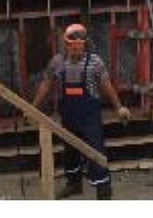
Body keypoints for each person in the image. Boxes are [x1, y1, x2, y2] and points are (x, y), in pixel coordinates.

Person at [32, 23, 131, 200]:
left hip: (89, 117)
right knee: (70, 151)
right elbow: (46, 84)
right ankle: (74, 184)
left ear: (85, 44)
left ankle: (103, 190)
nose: (77, 51)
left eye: (80, 47)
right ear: (66, 45)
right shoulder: (57, 63)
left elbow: (107, 85)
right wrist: (33, 107)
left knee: (96, 150)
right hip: (68, 116)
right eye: (73, 47)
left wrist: (119, 107)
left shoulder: (95, 62)